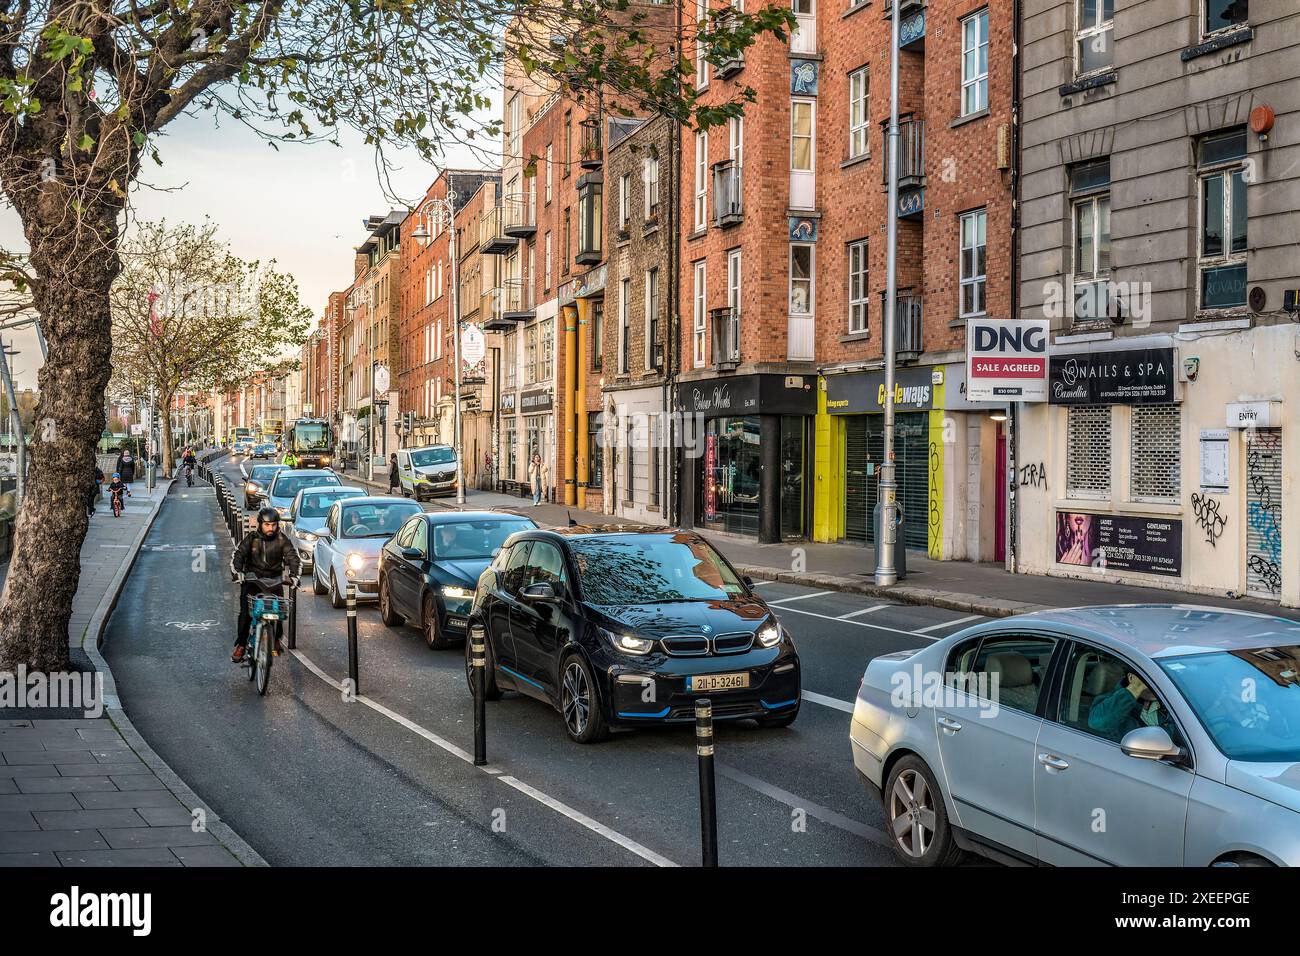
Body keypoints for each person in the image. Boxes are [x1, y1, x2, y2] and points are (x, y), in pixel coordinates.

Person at [230, 507, 301, 663]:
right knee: (246, 614)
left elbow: (293, 557)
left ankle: (275, 639)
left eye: (274, 525)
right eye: (267, 525)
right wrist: (238, 572)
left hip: (274, 582)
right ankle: (241, 645)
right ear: (261, 524)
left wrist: (294, 576)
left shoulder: (282, 540)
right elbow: (238, 555)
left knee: (279, 611)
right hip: (252, 581)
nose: (271, 528)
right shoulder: (252, 539)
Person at [1088, 671, 1177, 742]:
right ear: (1131, 678)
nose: (1157, 685)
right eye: (1150, 679)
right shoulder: (1112, 703)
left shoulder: (1172, 699)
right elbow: (1098, 722)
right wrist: (1135, 688)